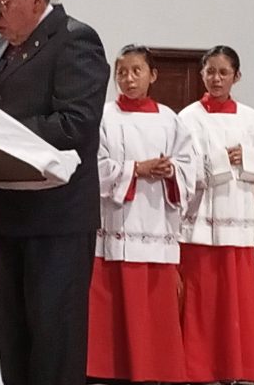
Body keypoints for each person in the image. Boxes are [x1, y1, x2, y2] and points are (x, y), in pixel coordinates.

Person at [0, 0, 109, 383]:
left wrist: (2, 134)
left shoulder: (75, 39)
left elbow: (76, 123)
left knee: (54, 343)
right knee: (13, 342)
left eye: (1, 3)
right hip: (7, 213)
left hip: (57, 218)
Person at [87, 44, 195, 384]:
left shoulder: (170, 119)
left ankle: (154, 369)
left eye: (137, 71)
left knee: (153, 307)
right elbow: (95, 166)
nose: (129, 79)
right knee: (111, 305)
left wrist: (171, 170)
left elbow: (190, 166)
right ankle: (108, 371)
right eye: (122, 72)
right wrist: (137, 169)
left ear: (153, 75)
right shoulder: (103, 117)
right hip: (116, 224)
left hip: (156, 224)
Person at [177, 45, 254, 383]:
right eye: (210, 71)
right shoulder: (186, 119)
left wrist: (246, 157)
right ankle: (197, 368)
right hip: (199, 223)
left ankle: (236, 367)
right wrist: (221, 161)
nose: (216, 79)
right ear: (202, 74)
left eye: (224, 72)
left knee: (236, 300)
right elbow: (183, 166)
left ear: (237, 76)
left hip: (238, 218)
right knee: (202, 298)